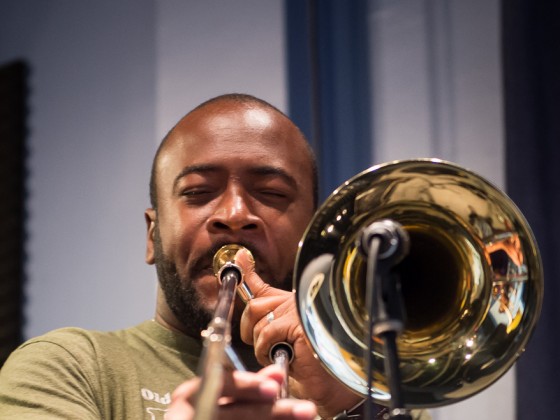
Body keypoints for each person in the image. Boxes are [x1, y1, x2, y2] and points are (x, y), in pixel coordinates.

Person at [0, 94, 430, 419]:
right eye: (199, 192)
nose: (235, 215)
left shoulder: (373, 389)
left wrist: (345, 405)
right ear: (153, 236)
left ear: (312, 236)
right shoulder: (71, 367)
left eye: (272, 194)